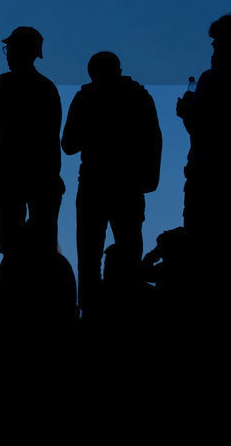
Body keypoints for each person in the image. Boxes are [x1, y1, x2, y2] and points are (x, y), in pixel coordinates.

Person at [62, 51, 161, 310]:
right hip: (128, 187)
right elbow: (154, 141)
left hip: (95, 185)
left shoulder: (85, 97)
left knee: (89, 255)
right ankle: (129, 307)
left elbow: (68, 144)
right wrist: (148, 180)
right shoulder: (139, 96)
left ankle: (90, 311)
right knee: (129, 252)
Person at [176, 13, 231, 292]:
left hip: (206, 178)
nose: (213, 50)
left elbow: (202, 128)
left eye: (216, 43)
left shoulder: (211, 80)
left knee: (203, 254)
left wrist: (187, 113)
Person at [0, 26, 64, 257]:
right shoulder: (48, 88)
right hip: (42, 177)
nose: (8, 54)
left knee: (11, 248)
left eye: (10, 49)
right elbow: (52, 140)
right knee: (43, 248)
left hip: (11, 177)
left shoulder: (6, 82)